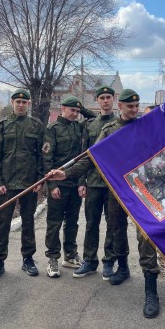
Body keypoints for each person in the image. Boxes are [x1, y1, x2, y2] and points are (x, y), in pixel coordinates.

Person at [47, 89, 162, 319]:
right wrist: (65, 174)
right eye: (130, 105)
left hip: (141, 192)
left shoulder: (145, 128)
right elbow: (91, 157)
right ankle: (123, 267)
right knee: (117, 229)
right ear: (121, 106)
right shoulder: (110, 131)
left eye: (137, 105)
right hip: (117, 190)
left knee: (145, 237)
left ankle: (151, 290)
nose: (134, 109)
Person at [0, 88, 44, 281]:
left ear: (28, 104)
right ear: (12, 102)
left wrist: (40, 179)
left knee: (28, 221)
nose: (20, 105)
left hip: (29, 183)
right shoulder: (2, 125)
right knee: (3, 223)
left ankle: (28, 259)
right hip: (7, 185)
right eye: (17, 102)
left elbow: (41, 156)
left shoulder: (36, 126)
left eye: (24, 102)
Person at [73, 86, 116, 280]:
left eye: (108, 97)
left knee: (112, 224)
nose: (105, 101)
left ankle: (109, 261)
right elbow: (83, 154)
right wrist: (81, 181)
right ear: (97, 101)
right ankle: (90, 261)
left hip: (114, 183)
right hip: (93, 182)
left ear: (114, 100)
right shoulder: (89, 125)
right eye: (102, 98)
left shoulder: (120, 123)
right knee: (91, 223)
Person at [43, 95, 88, 278]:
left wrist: (81, 182)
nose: (75, 114)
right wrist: (52, 185)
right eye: (72, 110)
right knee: (54, 222)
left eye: (78, 111)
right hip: (58, 184)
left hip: (74, 182)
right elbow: (47, 159)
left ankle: (70, 255)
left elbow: (82, 158)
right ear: (62, 108)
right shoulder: (52, 129)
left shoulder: (79, 127)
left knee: (72, 222)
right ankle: (53, 258)